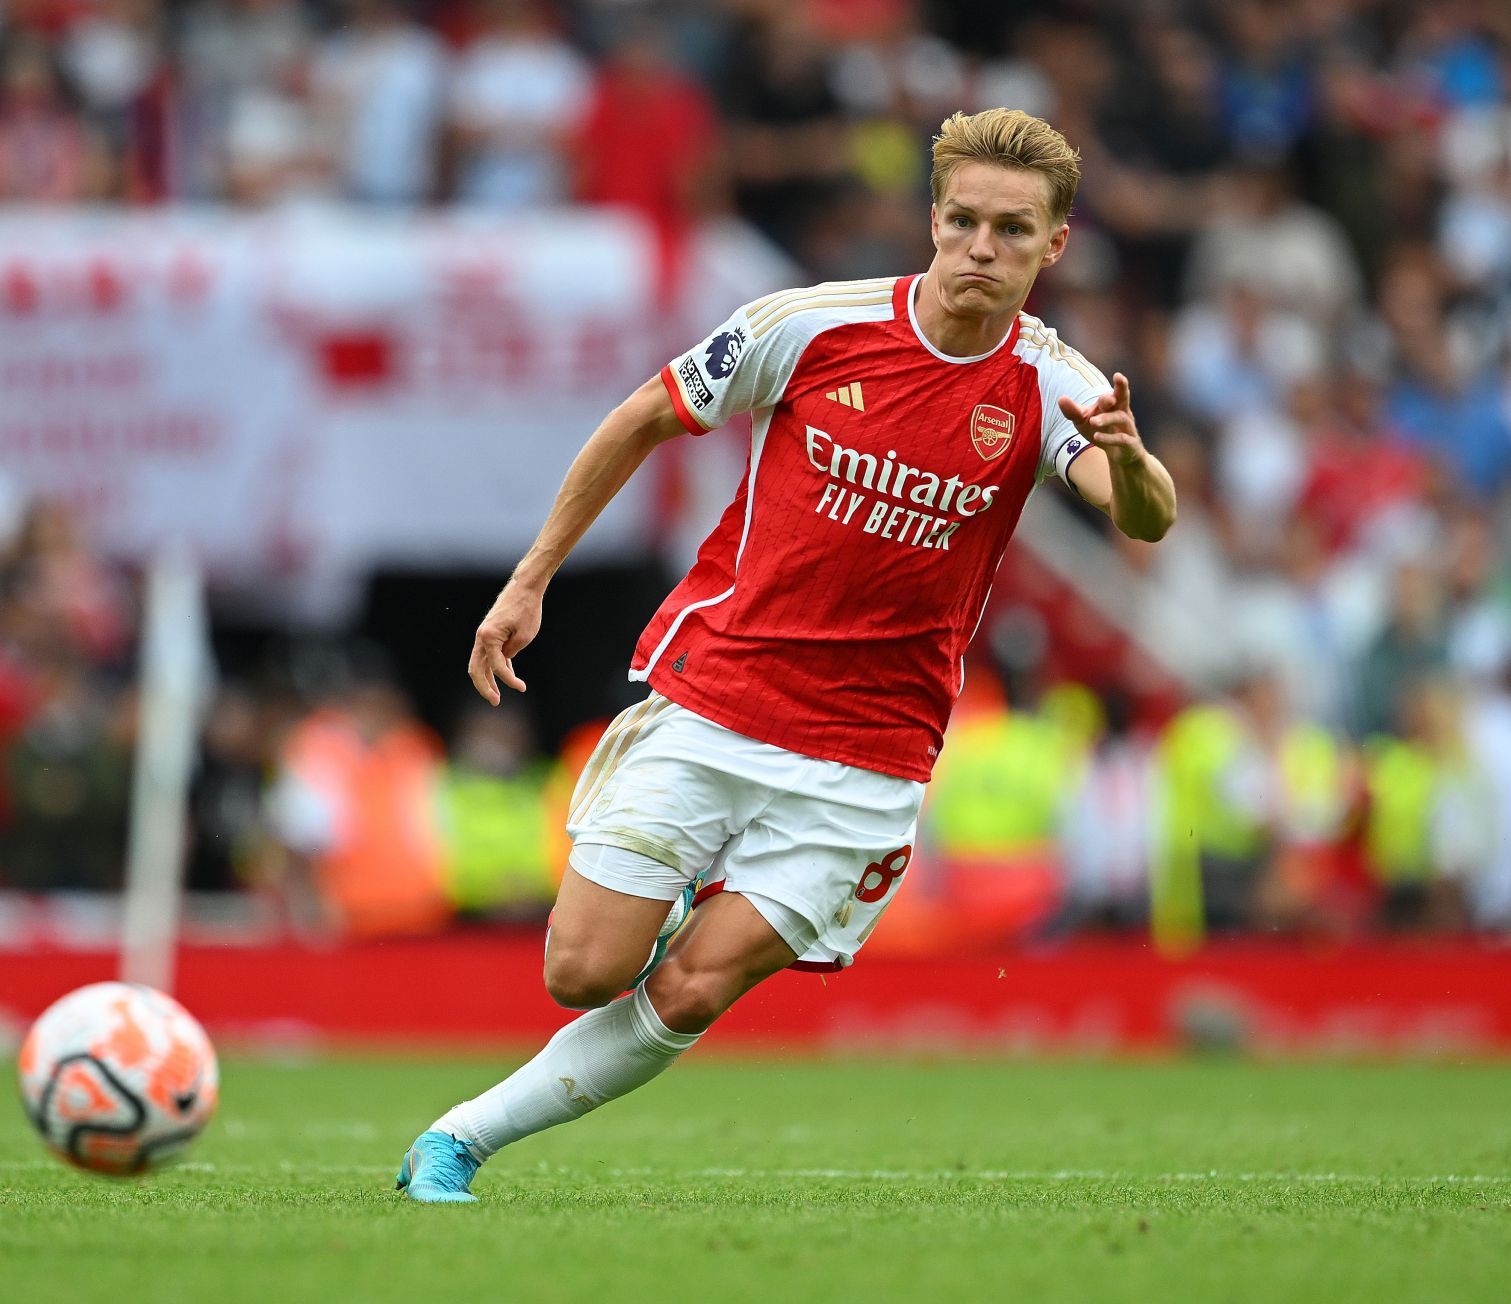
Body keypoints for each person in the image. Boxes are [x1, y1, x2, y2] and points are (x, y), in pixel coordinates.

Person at [396, 107, 1178, 1203]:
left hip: (869, 757)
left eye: (1012, 230)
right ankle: (670, 892)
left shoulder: (1059, 386)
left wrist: (1132, 463)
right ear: (934, 217)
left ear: (1054, 244)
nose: (981, 250)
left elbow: (1140, 514)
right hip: (720, 692)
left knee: (697, 987)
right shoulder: (808, 326)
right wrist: (530, 578)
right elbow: (641, 418)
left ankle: (457, 1141)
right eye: (962, 221)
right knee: (582, 970)